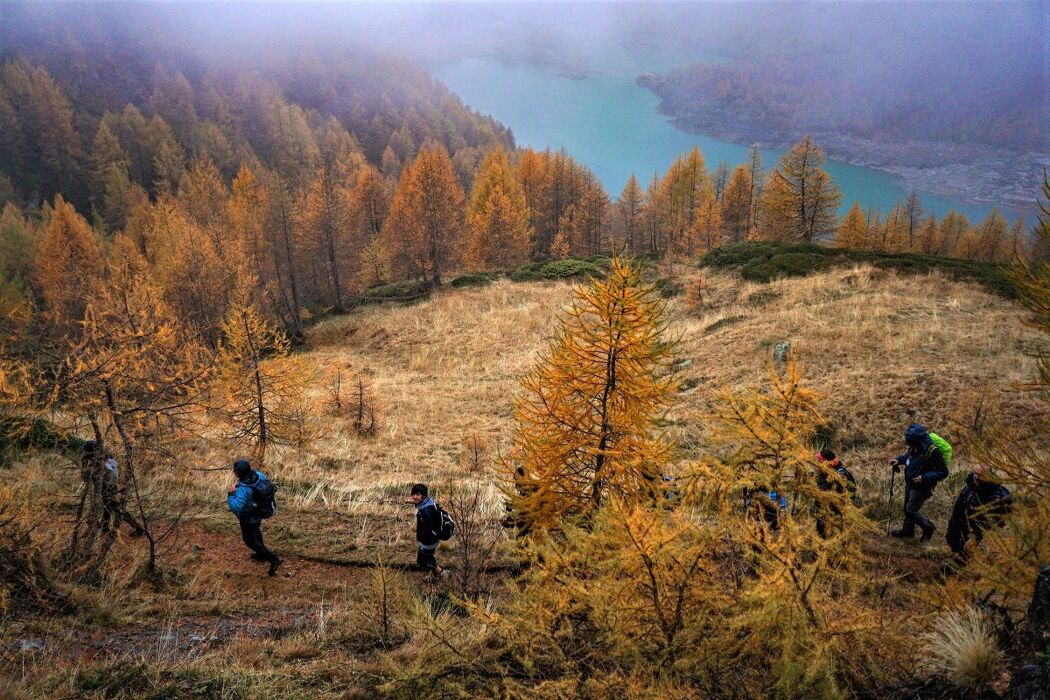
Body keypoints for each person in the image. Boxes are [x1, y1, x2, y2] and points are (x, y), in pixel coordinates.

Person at [890, 423, 949, 541]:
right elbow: (909, 457)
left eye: (911, 442)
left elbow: (943, 472)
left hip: (922, 486)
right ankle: (907, 531)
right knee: (907, 508)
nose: (909, 445)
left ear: (918, 441)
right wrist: (899, 460)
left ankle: (928, 527)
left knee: (911, 510)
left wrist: (924, 477)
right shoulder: (914, 446)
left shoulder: (932, 451)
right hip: (911, 482)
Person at [945, 464, 1012, 564]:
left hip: (973, 528)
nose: (976, 477)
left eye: (980, 475)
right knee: (951, 539)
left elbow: (989, 521)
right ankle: (956, 554)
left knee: (965, 551)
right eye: (975, 473)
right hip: (959, 520)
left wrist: (975, 536)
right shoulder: (971, 483)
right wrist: (953, 519)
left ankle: (953, 569)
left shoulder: (993, 495)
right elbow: (961, 500)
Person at [227, 459, 282, 576]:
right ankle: (260, 555)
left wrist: (231, 494)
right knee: (256, 531)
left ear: (238, 473)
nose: (233, 472)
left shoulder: (243, 489)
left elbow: (236, 507)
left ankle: (273, 559)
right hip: (260, 512)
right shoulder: (260, 475)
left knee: (250, 541)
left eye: (234, 471)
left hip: (248, 517)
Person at [99, 452, 144, 536]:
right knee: (107, 508)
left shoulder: (103, 464)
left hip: (108, 489)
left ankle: (139, 529)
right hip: (112, 488)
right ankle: (104, 528)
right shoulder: (111, 462)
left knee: (119, 510)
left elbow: (87, 478)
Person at [814, 449, 856, 537]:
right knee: (822, 533)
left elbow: (849, 493)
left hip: (834, 511)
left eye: (820, 461)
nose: (817, 464)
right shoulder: (825, 471)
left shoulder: (840, 475)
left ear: (827, 462)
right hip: (823, 510)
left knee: (832, 534)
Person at [411, 483, 444, 578]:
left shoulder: (426, 511)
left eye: (418, 494)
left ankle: (442, 573)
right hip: (432, 537)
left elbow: (427, 528)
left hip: (429, 539)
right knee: (428, 557)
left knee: (422, 560)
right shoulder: (428, 503)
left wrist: (422, 538)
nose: (415, 497)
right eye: (413, 494)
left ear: (424, 496)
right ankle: (434, 575)